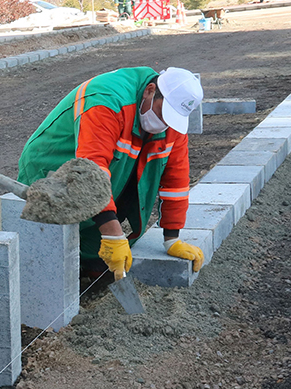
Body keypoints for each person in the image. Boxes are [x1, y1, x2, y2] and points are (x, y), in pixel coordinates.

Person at [17, 67, 205, 281]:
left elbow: (176, 181)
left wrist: (172, 237)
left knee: (97, 261)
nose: (164, 123)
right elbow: (90, 170)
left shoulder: (172, 124)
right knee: (43, 250)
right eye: (163, 112)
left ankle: (88, 271)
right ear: (150, 90)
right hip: (55, 164)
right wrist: (112, 233)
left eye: (171, 118)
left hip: (107, 171)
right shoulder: (106, 100)